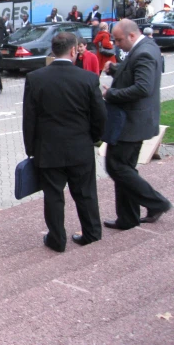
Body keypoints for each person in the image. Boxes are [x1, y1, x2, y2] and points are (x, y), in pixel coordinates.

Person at [23, 33, 105, 252]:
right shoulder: (88, 79)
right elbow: (100, 116)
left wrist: (31, 149)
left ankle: (57, 239)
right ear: (72, 51)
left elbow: (29, 119)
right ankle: (92, 233)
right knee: (86, 193)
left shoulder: (35, 78)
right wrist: (93, 138)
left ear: (53, 50)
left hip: (48, 150)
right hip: (80, 148)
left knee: (53, 196)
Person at [102, 19, 172, 230]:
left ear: (132, 35)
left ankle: (157, 202)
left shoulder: (144, 52)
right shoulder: (145, 46)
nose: (116, 44)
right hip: (134, 120)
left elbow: (143, 88)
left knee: (116, 166)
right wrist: (115, 69)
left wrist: (111, 94)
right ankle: (128, 218)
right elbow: (132, 70)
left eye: (119, 39)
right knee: (125, 168)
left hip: (132, 122)